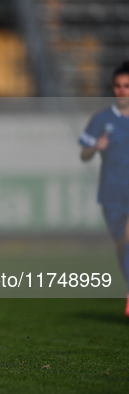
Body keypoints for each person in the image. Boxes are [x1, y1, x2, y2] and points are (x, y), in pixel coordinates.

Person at [80, 61, 129, 318]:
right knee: (123, 245)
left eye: (127, 86)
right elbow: (84, 154)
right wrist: (96, 147)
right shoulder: (102, 119)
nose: (122, 91)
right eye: (118, 86)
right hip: (111, 193)